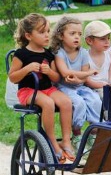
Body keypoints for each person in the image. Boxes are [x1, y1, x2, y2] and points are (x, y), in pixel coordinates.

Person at [8, 14, 75, 163]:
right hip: (27, 91)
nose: (47, 35)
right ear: (28, 35)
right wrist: (27, 69)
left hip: (47, 89)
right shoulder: (21, 54)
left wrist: (49, 72)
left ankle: (66, 141)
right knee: (48, 103)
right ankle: (52, 142)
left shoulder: (48, 53)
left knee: (66, 102)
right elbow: (12, 77)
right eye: (42, 32)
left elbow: (56, 78)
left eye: (48, 31)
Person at [51, 16, 102, 152]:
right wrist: (89, 73)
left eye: (79, 34)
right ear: (61, 35)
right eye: (72, 34)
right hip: (63, 87)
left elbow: (82, 78)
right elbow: (65, 72)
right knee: (78, 103)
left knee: (95, 100)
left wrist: (79, 79)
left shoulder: (83, 53)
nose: (76, 37)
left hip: (79, 85)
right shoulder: (59, 53)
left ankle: (93, 133)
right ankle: (77, 134)